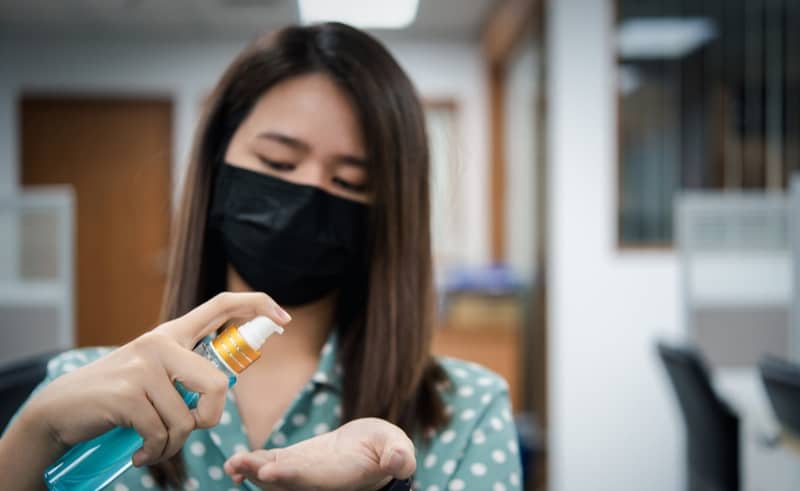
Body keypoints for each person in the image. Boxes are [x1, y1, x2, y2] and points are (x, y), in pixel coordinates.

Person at [0, 22, 522, 491]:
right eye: (277, 161)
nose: (307, 194)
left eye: (349, 181)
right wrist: (31, 435)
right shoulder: (81, 388)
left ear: (389, 213)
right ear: (216, 165)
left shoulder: (465, 411)